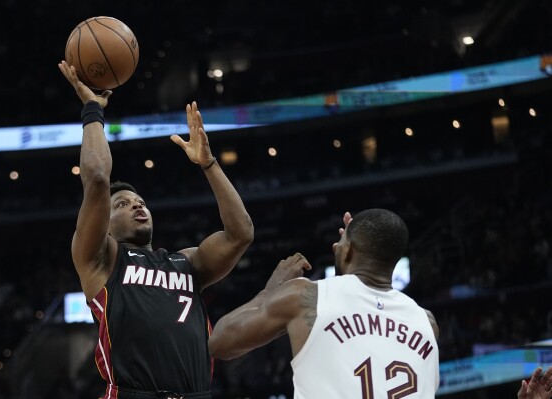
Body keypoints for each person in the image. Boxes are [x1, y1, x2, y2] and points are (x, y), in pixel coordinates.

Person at [58, 60, 254, 399]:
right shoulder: (102, 258)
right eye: (122, 204)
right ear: (102, 224)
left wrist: (208, 164)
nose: (136, 204)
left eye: (139, 200)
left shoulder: (185, 263)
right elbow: (97, 179)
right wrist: (92, 110)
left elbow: (240, 234)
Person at [209, 209, 440, 398]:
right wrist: (355, 239)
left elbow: (219, 342)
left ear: (349, 252)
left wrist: (270, 291)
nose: (335, 247)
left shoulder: (306, 297)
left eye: (340, 243)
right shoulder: (427, 322)